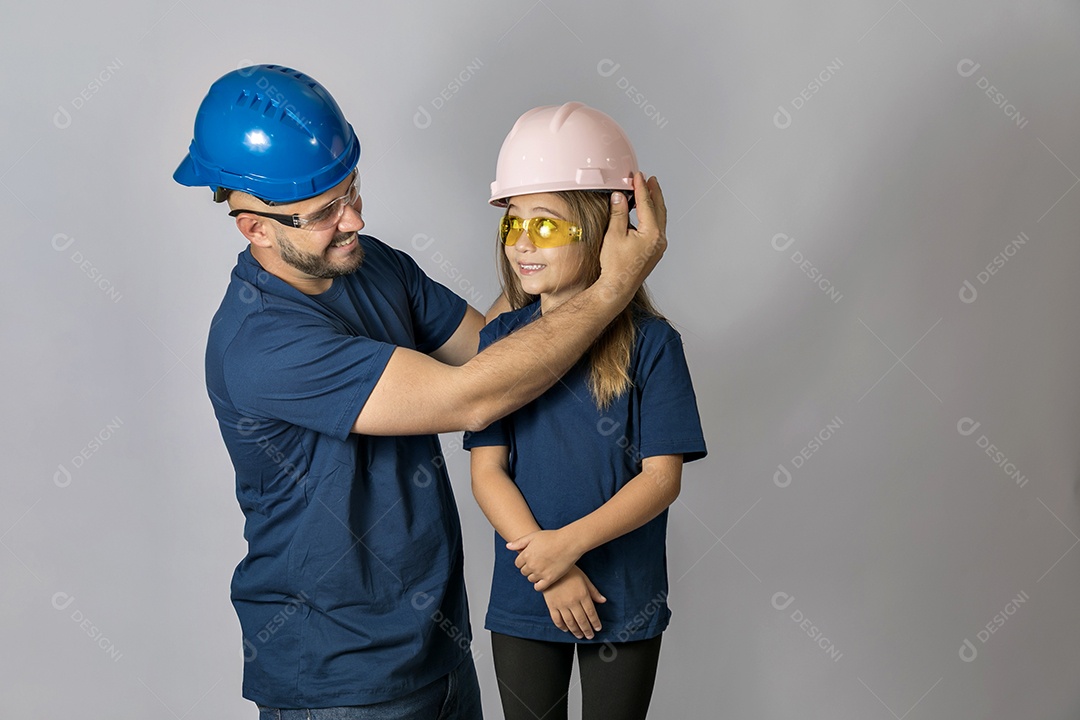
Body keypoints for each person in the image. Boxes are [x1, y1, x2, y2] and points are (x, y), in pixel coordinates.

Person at [173, 67, 667, 719]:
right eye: (324, 213)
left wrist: (551, 239)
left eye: (350, 191)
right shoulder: (262, 345)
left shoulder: (372, 263)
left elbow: (496, 349)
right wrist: (612, 288)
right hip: (340, 684)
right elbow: (476, 397)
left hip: (438, 651)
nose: (354, 219)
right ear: (255, 226)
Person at [464, 103, 707, 720]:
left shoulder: (653, 346)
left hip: (623, 596)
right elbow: (487, 471)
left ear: (607, 226)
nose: (521, 242)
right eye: (512, 225)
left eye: (545, 226)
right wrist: (545, 565)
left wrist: (562, 549)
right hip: (528, 592)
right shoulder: (500, 343)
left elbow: (661, 479)